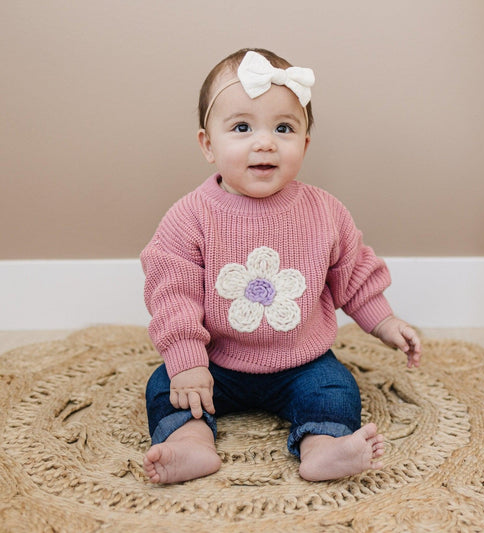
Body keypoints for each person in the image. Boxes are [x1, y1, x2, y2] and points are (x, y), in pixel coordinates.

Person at [141, 48, 421, 484]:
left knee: (336, 389)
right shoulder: (190, 216)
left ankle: (323, 447)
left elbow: (354, 274)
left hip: (302, 361)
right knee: (165, 386)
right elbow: (172, 293)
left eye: (284, 128)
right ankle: (189, 442)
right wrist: (187, 361)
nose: (265, 141)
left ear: (304, 144)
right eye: (241, 127)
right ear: (208, 145)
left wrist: (384, 321)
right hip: (216, 360)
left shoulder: (324, 212)